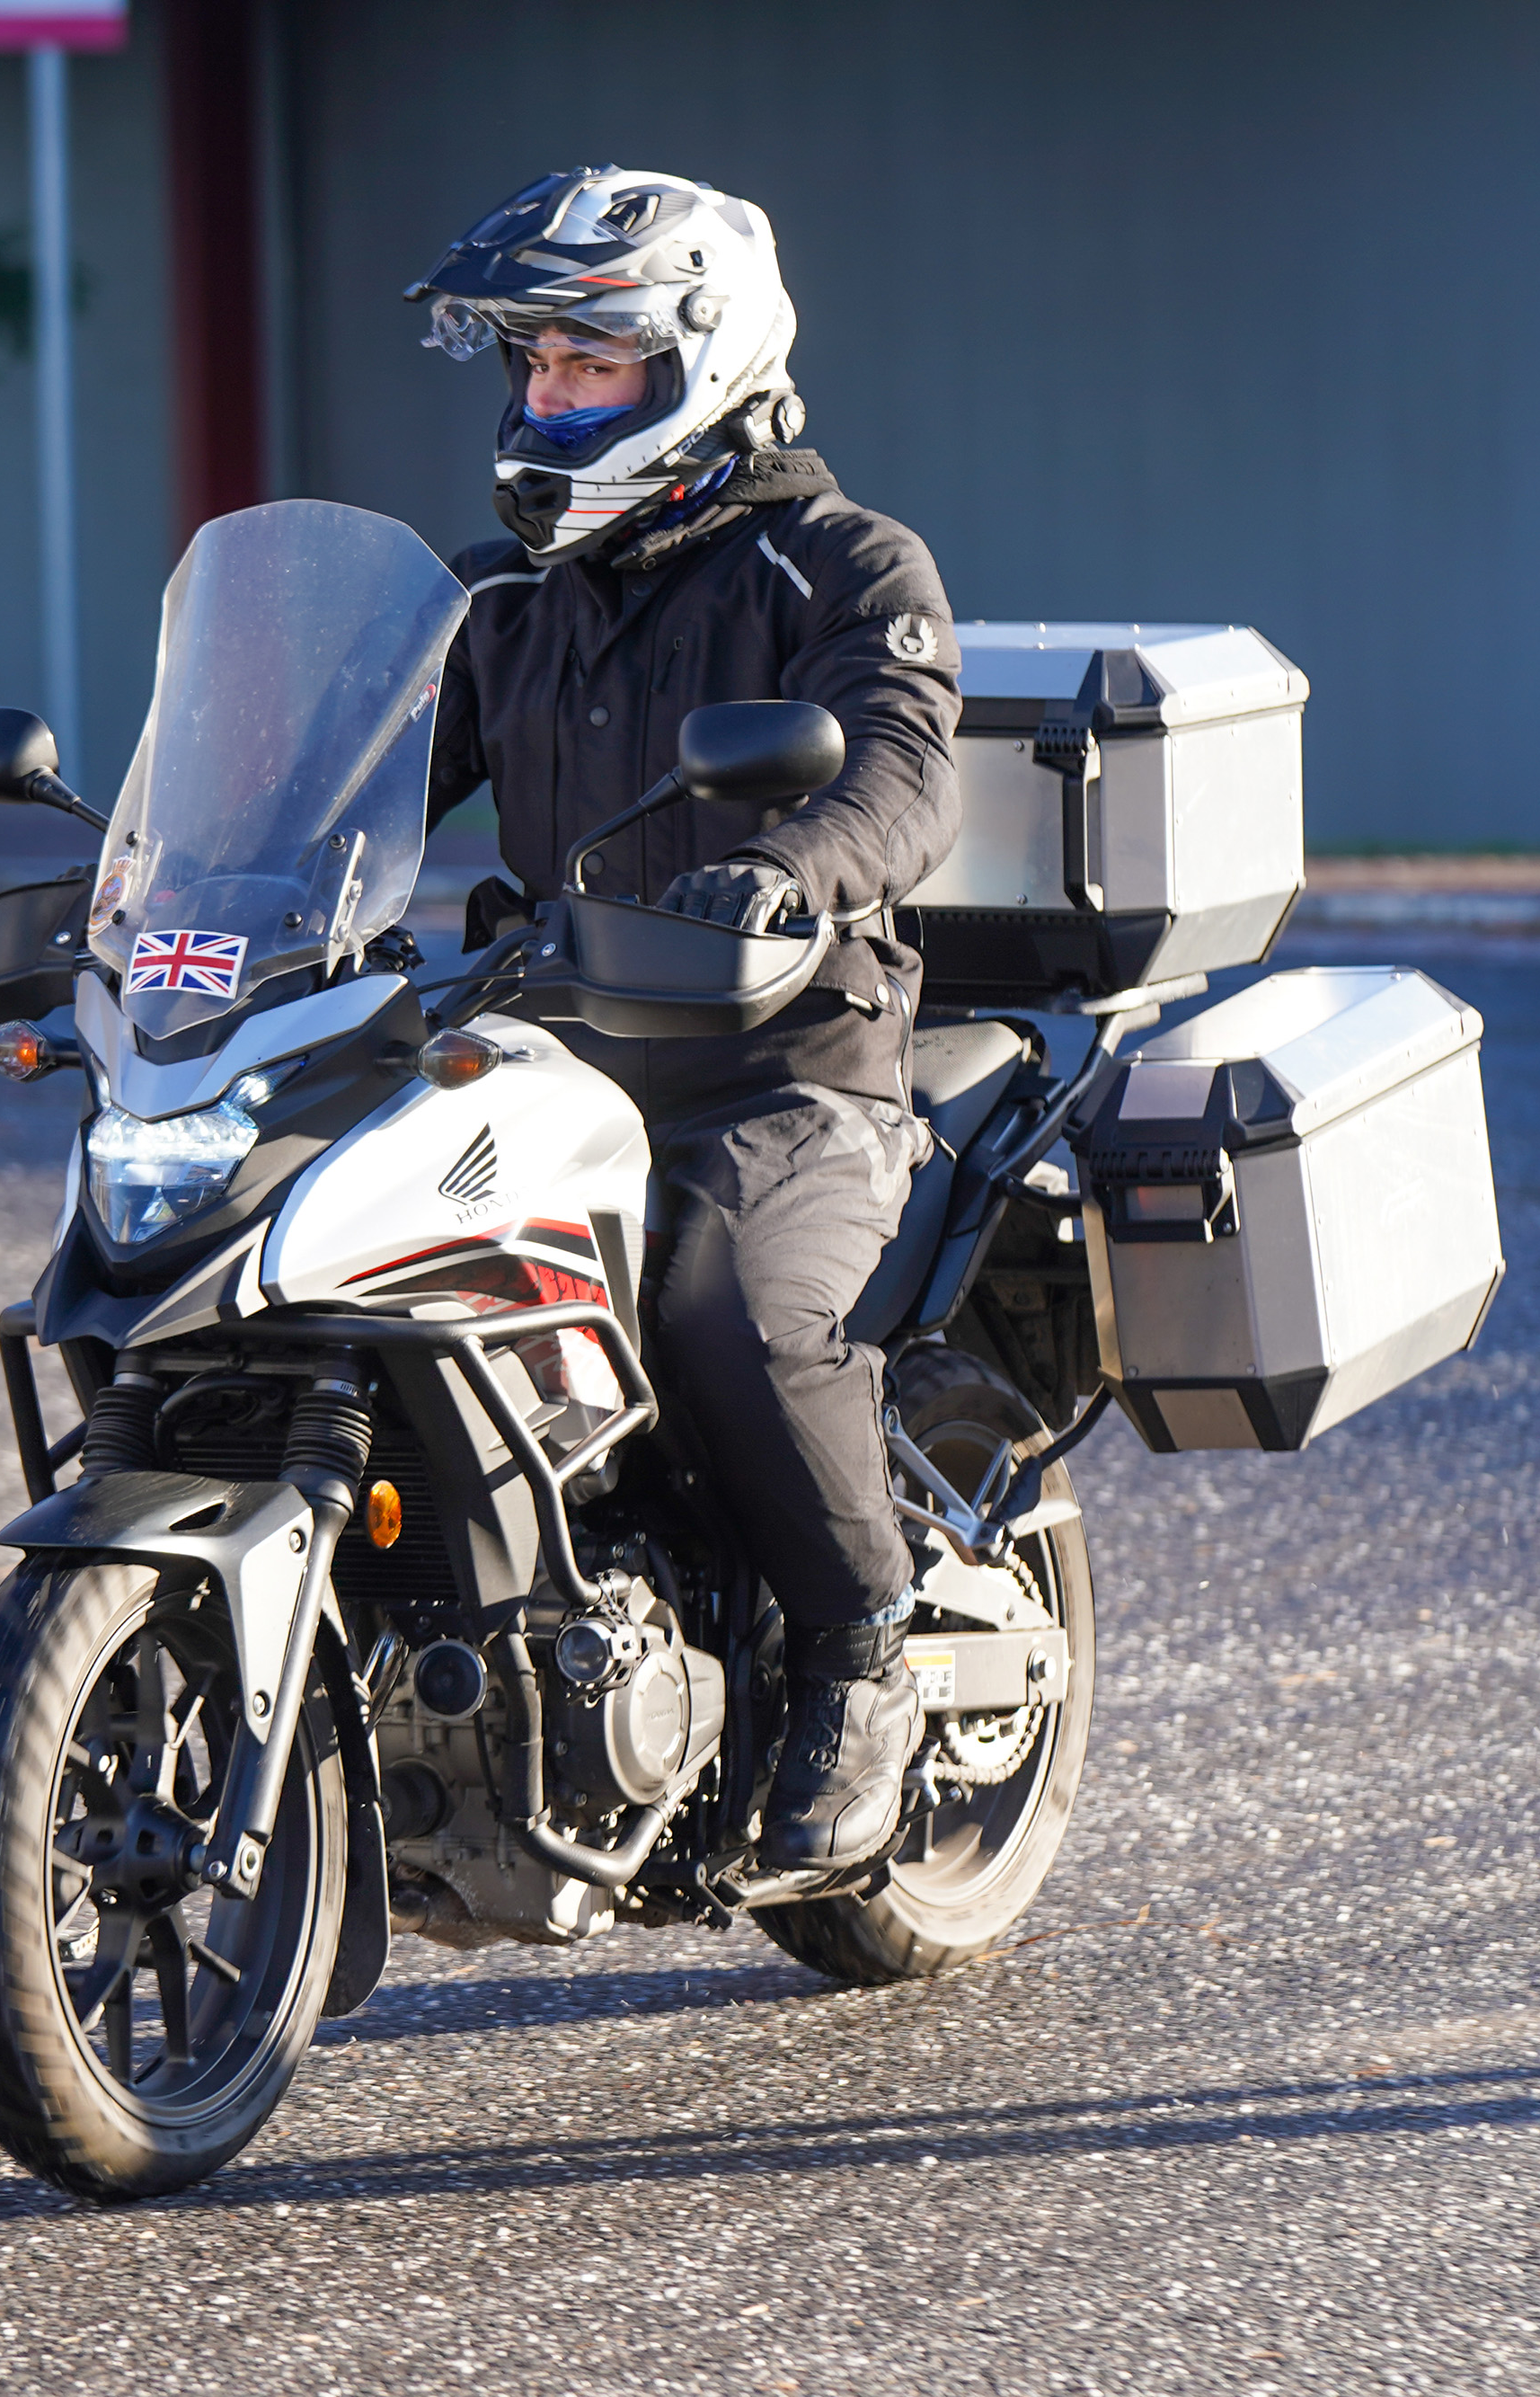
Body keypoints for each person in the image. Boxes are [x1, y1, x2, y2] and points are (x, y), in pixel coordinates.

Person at [410, 167, 965, 1874]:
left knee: (725, 1305)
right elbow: (340, 787)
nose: (549, 396)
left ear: (701, 361)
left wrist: (792, 867)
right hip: (549, 1057)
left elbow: (906, 768)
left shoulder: (840, 565)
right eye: (535, 363)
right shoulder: (501, 599)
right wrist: (171, 896)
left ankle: (866, 1652)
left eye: (591, 362)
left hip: (785, 1065)